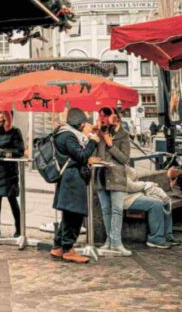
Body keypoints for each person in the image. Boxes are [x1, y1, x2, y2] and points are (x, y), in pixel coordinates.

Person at [49, 108, 99, 264]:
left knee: (68, 215)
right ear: (79, 123)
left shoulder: (63, 133)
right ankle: (68, 250)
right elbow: (81, 156)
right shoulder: (69, 136)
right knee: (74, 215)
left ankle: (58, 247)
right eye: (83, 123)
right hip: (72, 180)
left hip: (68, 178)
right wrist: (93, 141)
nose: (84, 126)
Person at [95, 107, 132, 256]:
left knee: (117, 210)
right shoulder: (100, 133)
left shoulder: (123, 135)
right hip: (101, 176)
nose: (102, 118)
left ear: (114, 117)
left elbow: (125, 159)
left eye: (105, 116)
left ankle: (117, 243)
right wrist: (96, 135)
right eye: (100, 116)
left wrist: (110, 145)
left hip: (116, 177)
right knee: (106, 210)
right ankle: (109, 241)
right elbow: (96, 155)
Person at [124, 168, 181, 249]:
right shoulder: (118, 166)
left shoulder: (124, 164)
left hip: (137, 194)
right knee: (156, 203)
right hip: (127, 198)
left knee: (165, 201)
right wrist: (146, 184)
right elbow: (130, 186)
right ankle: (155, 238)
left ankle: (167, 235)